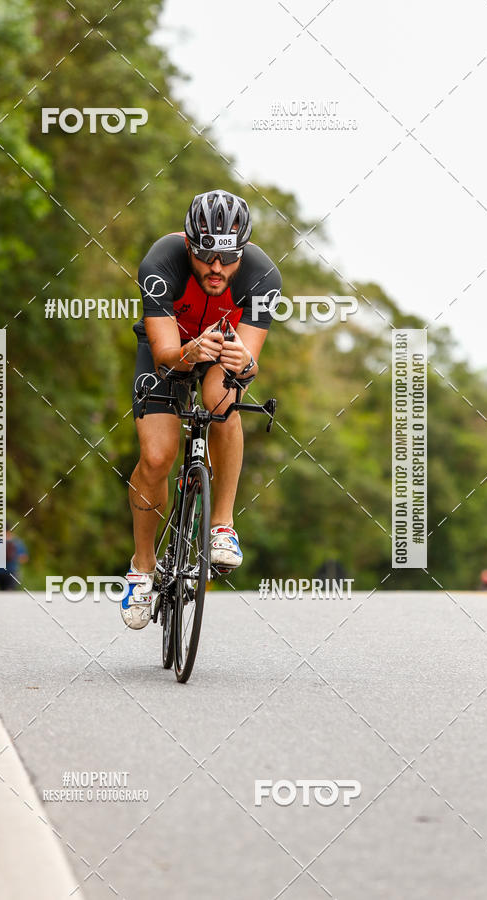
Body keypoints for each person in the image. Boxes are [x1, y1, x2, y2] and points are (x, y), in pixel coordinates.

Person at [122, 189, 282, 629]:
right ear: (189, 244)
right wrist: (188, 351)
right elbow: (164, 352)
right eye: (206, 254)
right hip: (172, 348)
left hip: (222, 348)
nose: (216, 268)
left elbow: (249, 357)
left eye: (228, 257)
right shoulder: (161, 261)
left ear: (243, 250)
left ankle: (223, 525)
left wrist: (244, 363)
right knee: (156, 458)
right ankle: (142, 566)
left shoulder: (263, 275)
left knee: (222, 401)